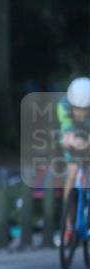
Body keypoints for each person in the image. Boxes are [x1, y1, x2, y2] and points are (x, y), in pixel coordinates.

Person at [58, 77, 90, 237]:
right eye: (75, 108)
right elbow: (65, 127)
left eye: (83, 109)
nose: (78, 113)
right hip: (75, 139)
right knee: (71, 177)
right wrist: (67, 138)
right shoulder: (63, 106)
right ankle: (69, 225)